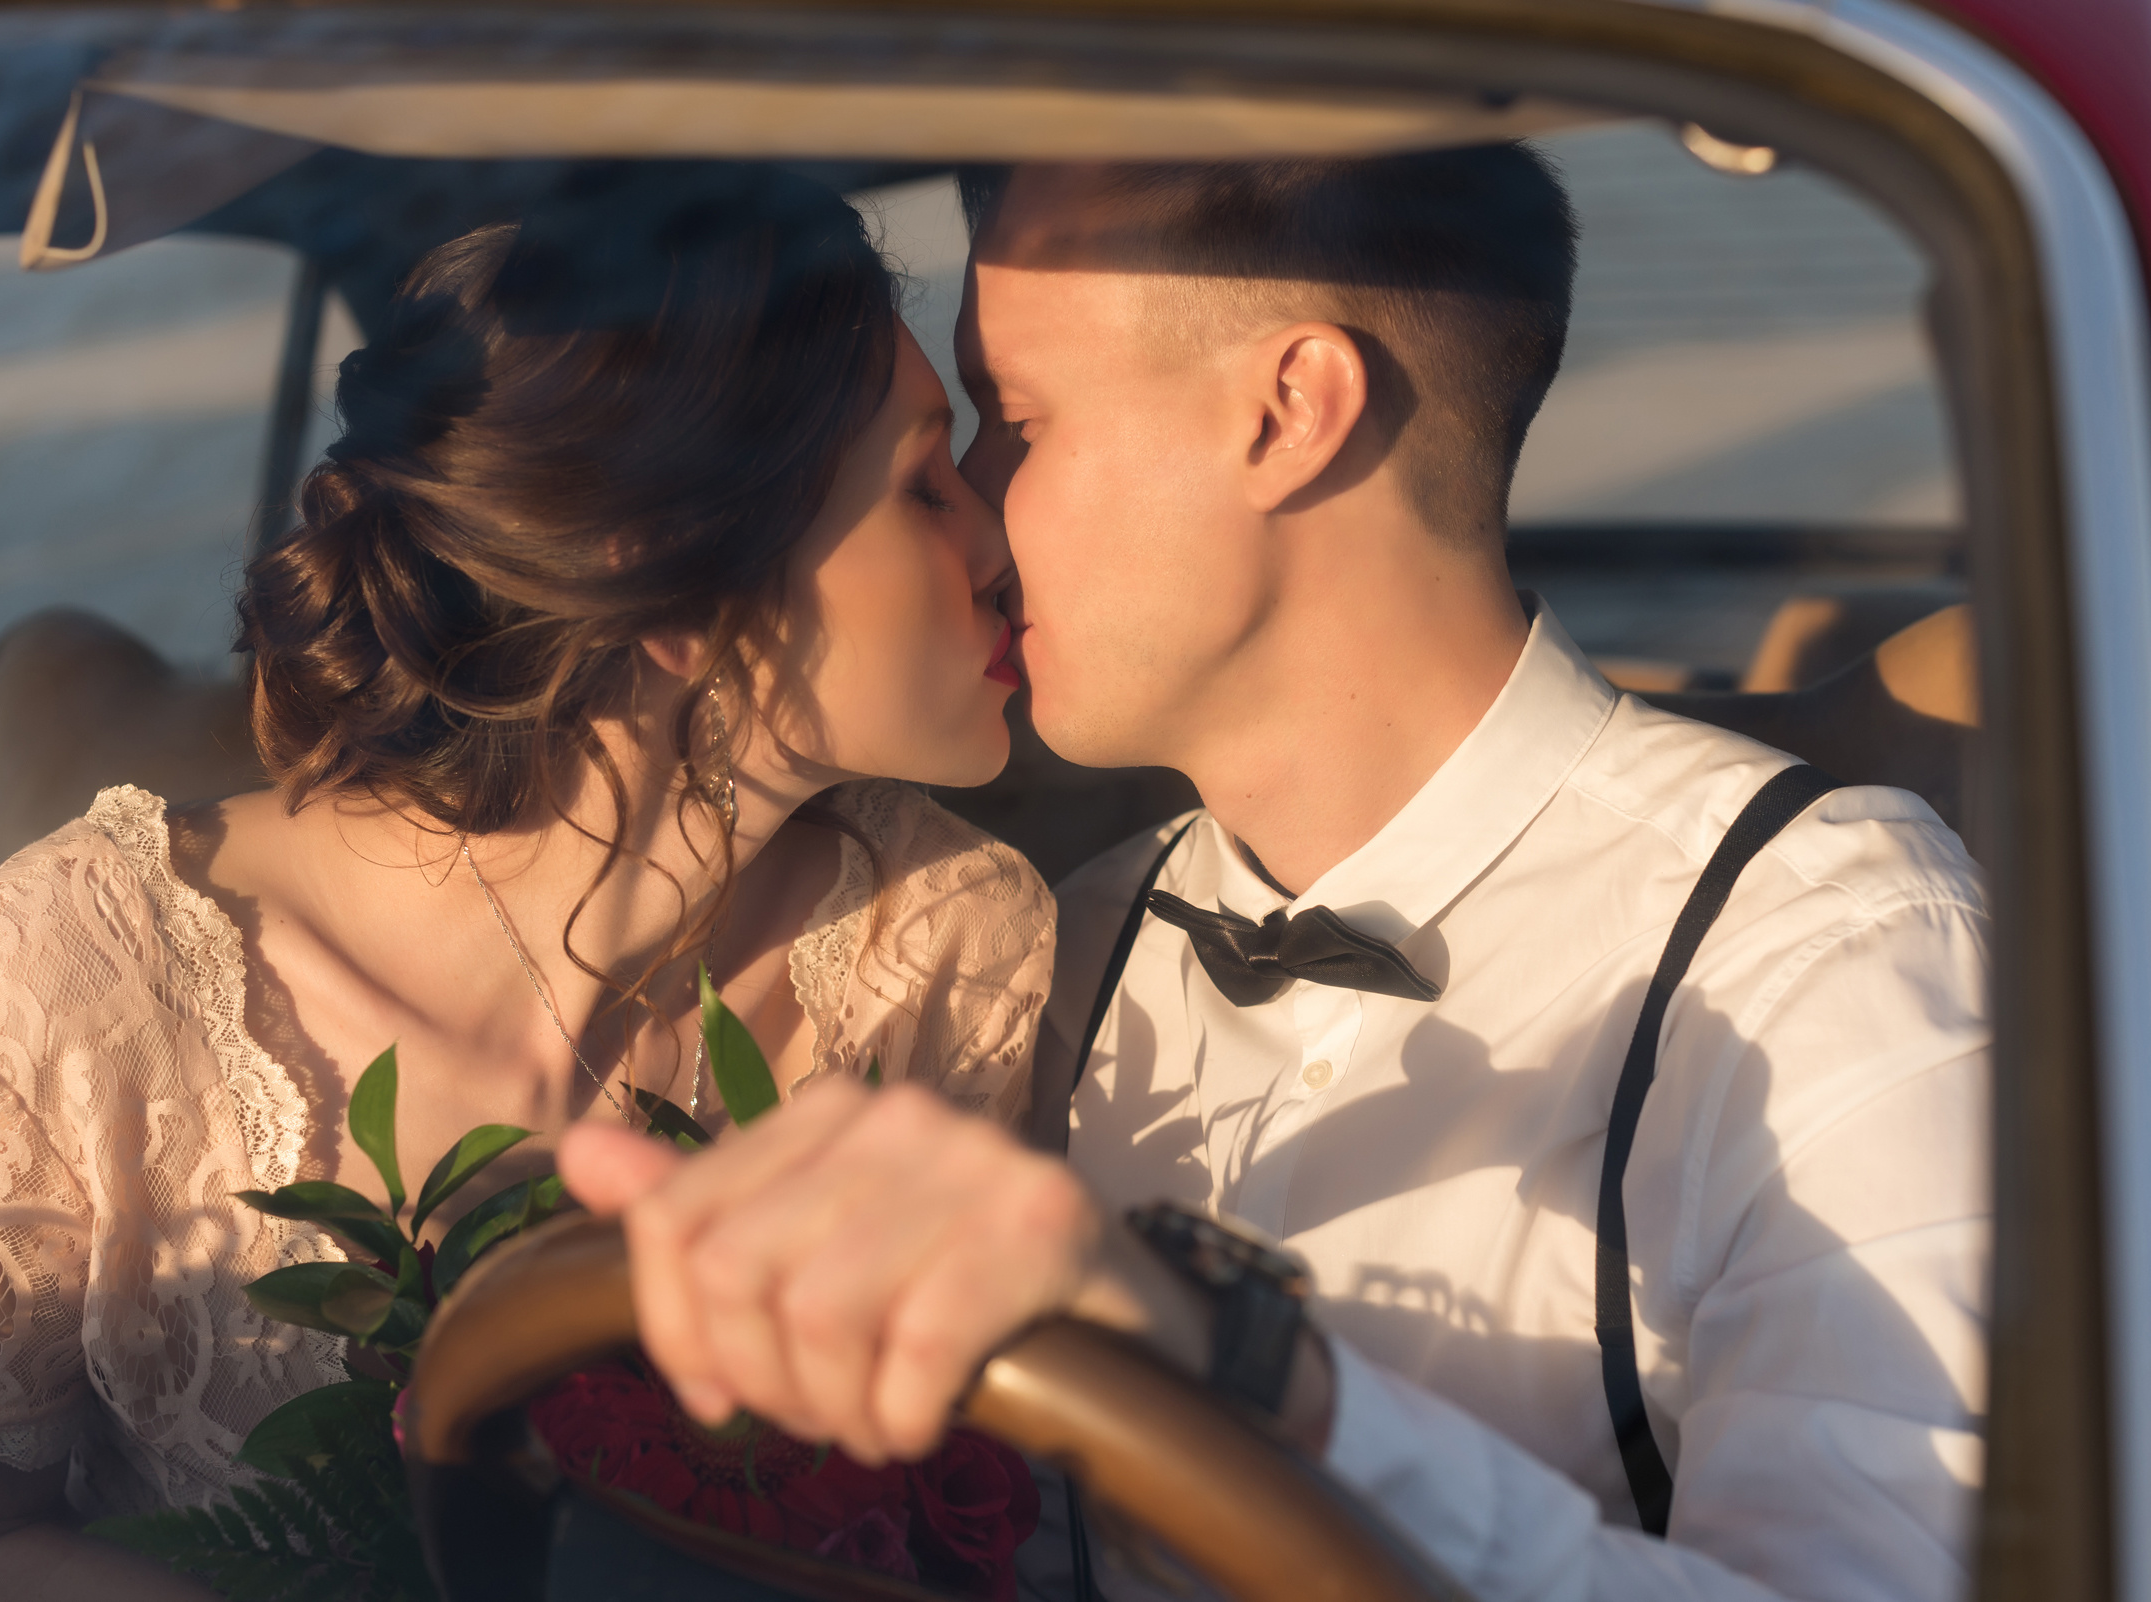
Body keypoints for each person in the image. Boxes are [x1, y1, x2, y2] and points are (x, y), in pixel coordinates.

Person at [559, 151, 1989, 1602]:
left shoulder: (1829, 948)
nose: (974, 517)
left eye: (1016, 419)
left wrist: (1271, 1383)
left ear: (1289, 411)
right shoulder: (1048, 951)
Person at [0, 163, 1056, 1602]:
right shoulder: (43, 999)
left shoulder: (953, 946)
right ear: (678, 593)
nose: (996, 541)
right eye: (925, 484)